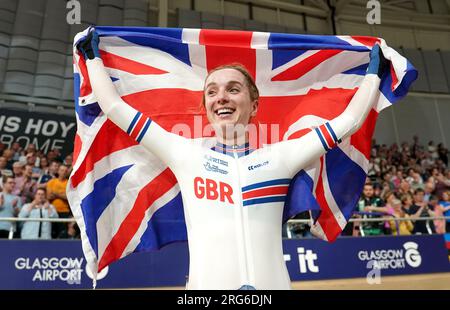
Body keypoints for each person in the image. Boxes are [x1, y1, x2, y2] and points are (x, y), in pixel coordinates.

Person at [77, 28, 389, 290]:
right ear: (206, 107)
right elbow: (115, 107)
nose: (221, 97)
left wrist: (374, 73)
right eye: (211, 92)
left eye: (233, 89)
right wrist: (93, 59)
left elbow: (350, 120)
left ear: (254, 105)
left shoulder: (281, 157)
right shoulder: (184, 154)